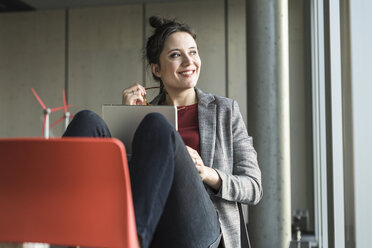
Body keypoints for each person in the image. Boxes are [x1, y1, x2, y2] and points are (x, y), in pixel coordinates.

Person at [63, 16, 262, 248]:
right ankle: (59, 233)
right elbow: (123, 180)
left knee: (156, 124)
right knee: (86, 120)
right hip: (151, 223)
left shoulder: (225, 111)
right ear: (156, 69)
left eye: (194, 52)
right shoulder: (144, 115)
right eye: (176, 55)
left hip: (201, 228)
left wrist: (207, 173)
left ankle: (131, 241)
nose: (189, 61)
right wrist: (126, 118)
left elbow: (254, 187)